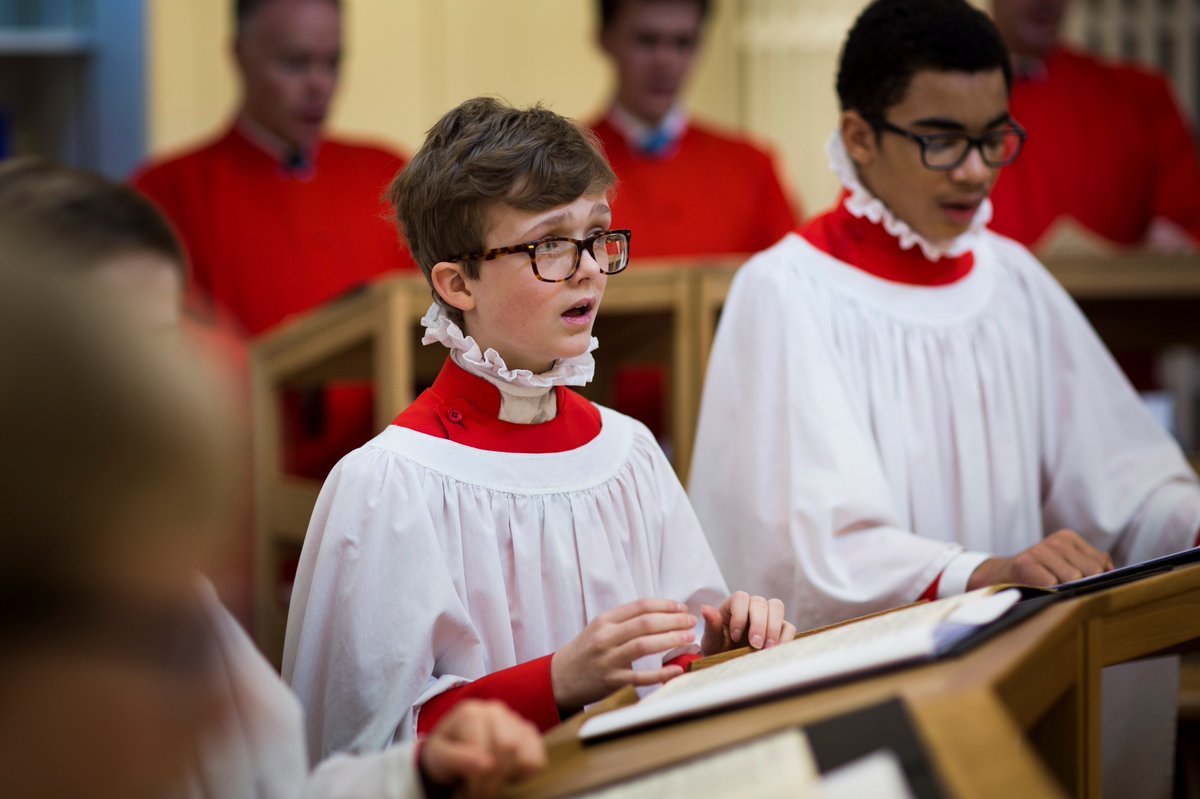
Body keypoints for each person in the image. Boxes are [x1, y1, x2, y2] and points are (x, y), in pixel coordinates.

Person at [689, 4, 1199, 792]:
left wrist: (1185, 516)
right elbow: (806, 551)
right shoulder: (786, 291)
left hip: (1025, 656)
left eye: (994, 137)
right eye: (941, 139)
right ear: (859, 137)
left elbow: (1122, 478)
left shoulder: (1012, 279)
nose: (975, 170)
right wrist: (984, 569)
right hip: (877, 691)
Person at [0, 162, 548, 799]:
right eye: (116, 357)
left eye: (164, 342)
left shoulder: (170, 590)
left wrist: (417, 773)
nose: (154, 391)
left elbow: (270, 787)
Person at [283, 97, 797, 760]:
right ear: (457, 282)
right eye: (551, 244)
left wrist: (720, 654)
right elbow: (361, 756)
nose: (587, 265)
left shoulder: (628, 455)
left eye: (597, 234)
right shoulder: (389, 485)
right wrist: (553, 682)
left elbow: (672, 665)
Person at [132, 0, 416, 479]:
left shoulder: (388, 175)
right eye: (295, 62)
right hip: (245, 478)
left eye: (332, 63)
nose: (318, 84)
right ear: (239, 55)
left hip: (389, 476)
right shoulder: (167, 192)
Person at [987, 0, 1200, 252]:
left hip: (1113, 289)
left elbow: (1188, 224)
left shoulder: (1138, 97)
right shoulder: (948, 98)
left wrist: (1173, 246)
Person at [591, 0, 799, 258]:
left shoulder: (753, 168)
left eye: (682, 43)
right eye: (646, 40)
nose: (664, 61)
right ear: (605, 39)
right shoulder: (566, 166)